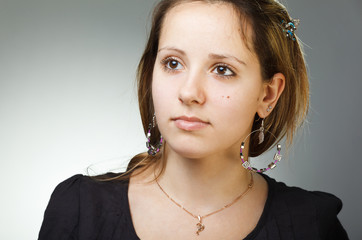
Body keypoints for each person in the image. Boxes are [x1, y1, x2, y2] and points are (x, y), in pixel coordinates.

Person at [38, 0, 349, 239]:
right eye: (173, 63)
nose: (189, 92)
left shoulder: (312, 225)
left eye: (223, 69)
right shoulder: (78, 208)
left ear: (267, 95)